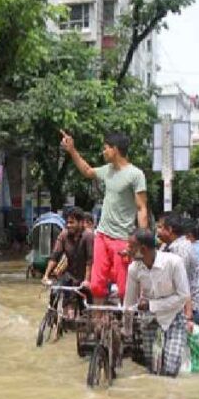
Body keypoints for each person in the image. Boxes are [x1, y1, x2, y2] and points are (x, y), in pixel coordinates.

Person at [61, 129, 149, 302]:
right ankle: (98, 324)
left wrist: (140, 241)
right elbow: (87, 171)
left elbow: (141, 208)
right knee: (96, 286)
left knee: (125, 290)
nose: (103, 151)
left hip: (122, 238)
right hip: (102, 235)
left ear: (115, 149)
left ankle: (127, 325)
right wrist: (72, 150)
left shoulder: (136, 175)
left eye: (106, 148)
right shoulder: (107, 170)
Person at [123, 229, 190, 377]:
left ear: (143, 249)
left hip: (173, 316)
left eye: (131, 247)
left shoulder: (173, 263)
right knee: (151, 367)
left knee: (171, 368)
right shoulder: (134, 268)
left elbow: (183, 296)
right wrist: (126, 331)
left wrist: (151, 305)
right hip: (149, 318)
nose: (128, 250)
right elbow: (129, 302)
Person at [157, 213, 199, 328]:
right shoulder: (166, 246)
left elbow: (182, 284)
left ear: (169, 230)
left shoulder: (181, 249)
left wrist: (188, 315)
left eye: (160, 227)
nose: (157, 231)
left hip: (195, 306)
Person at [42, 207, 94, 316]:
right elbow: (55, 256)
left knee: (86, 310)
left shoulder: (88, 236)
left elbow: (90, 260)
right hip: (69, 276)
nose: (68, 225)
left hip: (85, 276)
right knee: (55, 292)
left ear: (81, 223)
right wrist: (46, 275)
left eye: (72, 222)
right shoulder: (64, 235)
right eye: (67, 222)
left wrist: (87, 280)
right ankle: (56, 319)